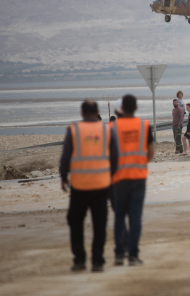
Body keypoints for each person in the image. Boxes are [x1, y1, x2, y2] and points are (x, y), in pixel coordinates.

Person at [59, 100, 118, 273]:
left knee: (75, 221)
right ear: (97, 112)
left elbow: (66, 156)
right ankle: (98, 261)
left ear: (82, 113)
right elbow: (115, 157)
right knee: (99, 224)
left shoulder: (74, 130)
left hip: (80, 185)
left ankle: (79, 260)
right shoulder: (107, 130)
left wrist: (63, 177)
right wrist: (112, 178)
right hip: (102, 184)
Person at [110, 94, 154, 267]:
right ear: (136, 108)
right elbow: (151, 151)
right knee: (135, 216)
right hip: (138, 176)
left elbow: (109, 153)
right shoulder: (144, 126)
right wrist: (141, 163)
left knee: (119, 216)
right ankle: (133, 255)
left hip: (119, 178)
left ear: (121, 109)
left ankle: (119, 254)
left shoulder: (112, 128)